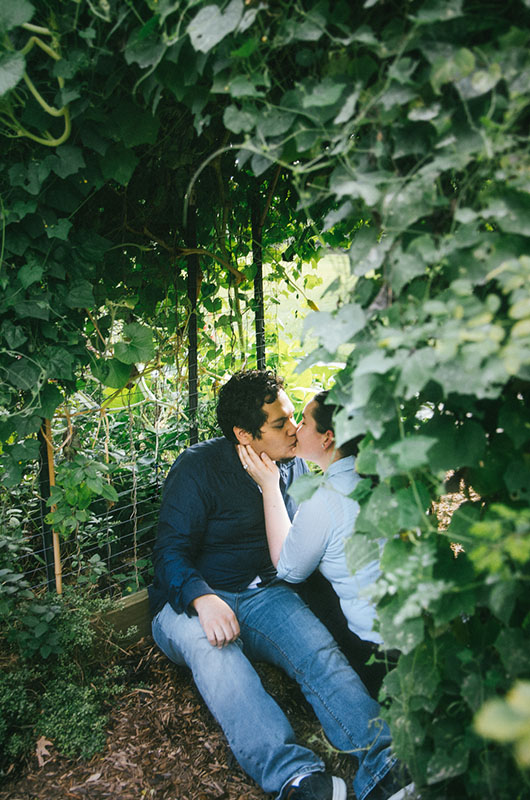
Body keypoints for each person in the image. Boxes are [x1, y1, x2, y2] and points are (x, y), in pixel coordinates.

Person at [149, 370, 414, 800]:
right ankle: (295, 777)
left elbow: (301, 547)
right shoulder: (198, 468)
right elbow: (169, 552)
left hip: (263, 593)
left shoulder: (290, 464)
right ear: (243, 434)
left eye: (294, 417)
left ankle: (382, 761)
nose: (294, 430)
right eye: (280, 423)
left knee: (317, 649)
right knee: (219, 658)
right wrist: (202, 598)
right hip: (188, 603)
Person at [238, 390, 397, 696]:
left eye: (305, 422)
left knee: (303, 582)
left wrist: (270, 487)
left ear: (327, 438)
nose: (295, 428)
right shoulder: (383, 478)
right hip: (417, 630)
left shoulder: (325, 497)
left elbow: (287, 568)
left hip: (378, 651)